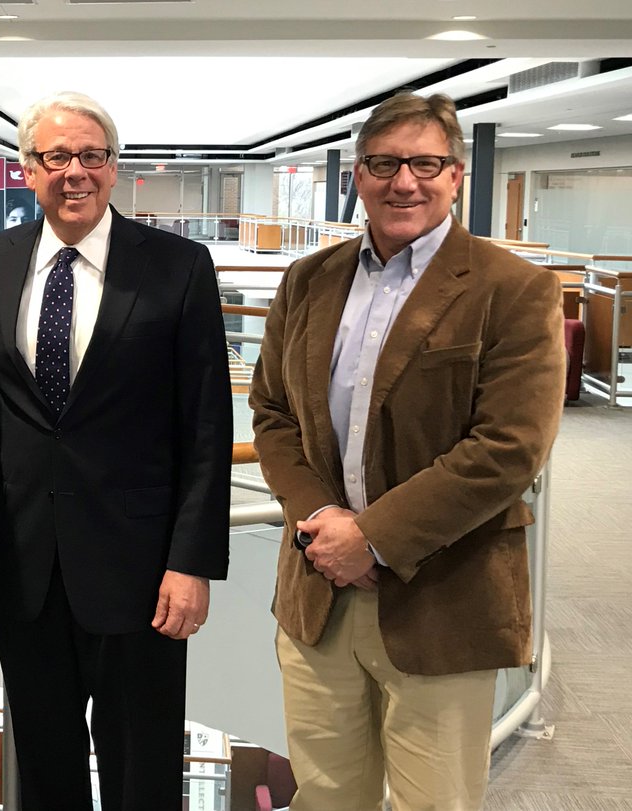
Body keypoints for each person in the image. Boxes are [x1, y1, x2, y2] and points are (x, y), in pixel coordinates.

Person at [249, 92, 565, 811]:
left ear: (456, 175)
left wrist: (374, 538)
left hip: (443, 598)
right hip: (318, 593)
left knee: (435, 801)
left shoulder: (511, 288)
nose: (405, 182)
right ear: (357, 175)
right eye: (384, 163)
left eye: (425, 163)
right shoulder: (308, 281)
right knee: (327, 795)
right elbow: (271, 414)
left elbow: (508, 448)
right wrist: (324, 520)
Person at [0, 91, 231, 811]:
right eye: (57, 156)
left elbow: (206, 425)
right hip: (26, 566)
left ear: (114, 169)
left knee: (141, 766)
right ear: (28, 169)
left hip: (142, 570)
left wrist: (192, 561)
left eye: (91, 156)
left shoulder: (177, 265)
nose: (74, 172)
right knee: (44, 766)